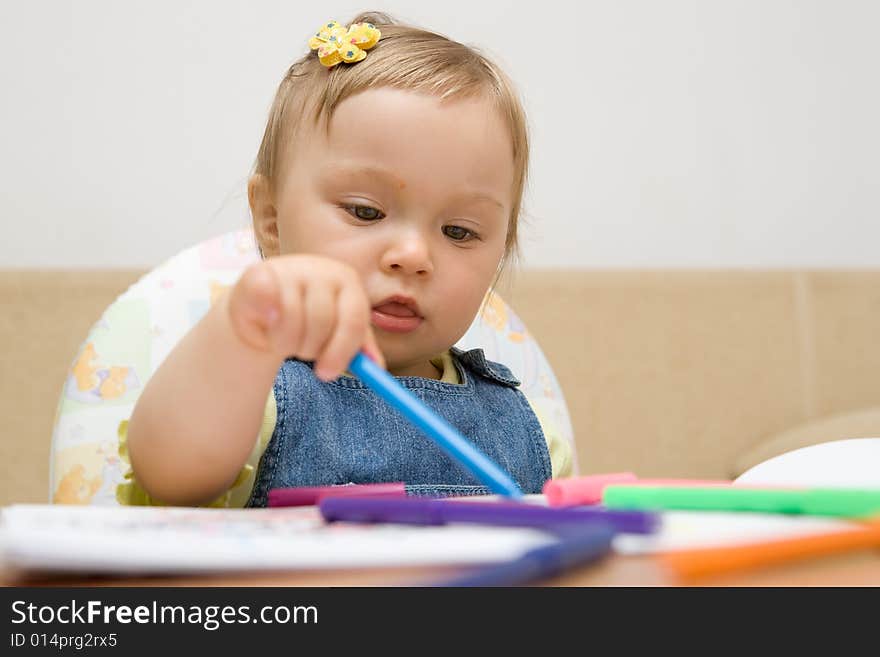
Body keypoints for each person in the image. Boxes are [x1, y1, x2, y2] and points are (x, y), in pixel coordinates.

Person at [122, 11, 572, 508]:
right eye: (365, 211)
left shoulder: (526, 429)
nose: (412, 256)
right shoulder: (249, 395)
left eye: (459, 231)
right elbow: (169, 475)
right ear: (271, 221)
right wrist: (238, 332)